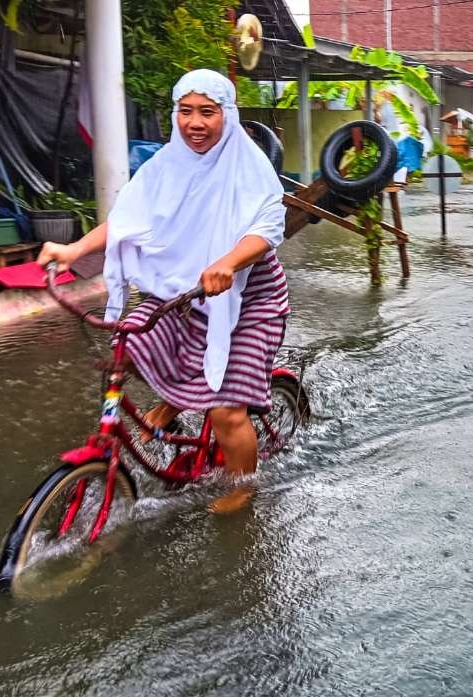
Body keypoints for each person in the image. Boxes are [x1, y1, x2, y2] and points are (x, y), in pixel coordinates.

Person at [37, 69, 288, 514]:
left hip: (248, 297)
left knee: (226, 411)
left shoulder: (250, 168)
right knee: (128, 344)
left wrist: (227, 261)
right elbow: (127, 221)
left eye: (207, 112)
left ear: (226, 115)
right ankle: (170, 403)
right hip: (182, 291)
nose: (195, 122)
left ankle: (244, 487)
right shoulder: (162, 166)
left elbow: (267, 230)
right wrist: (73, 249)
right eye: (185, 111)